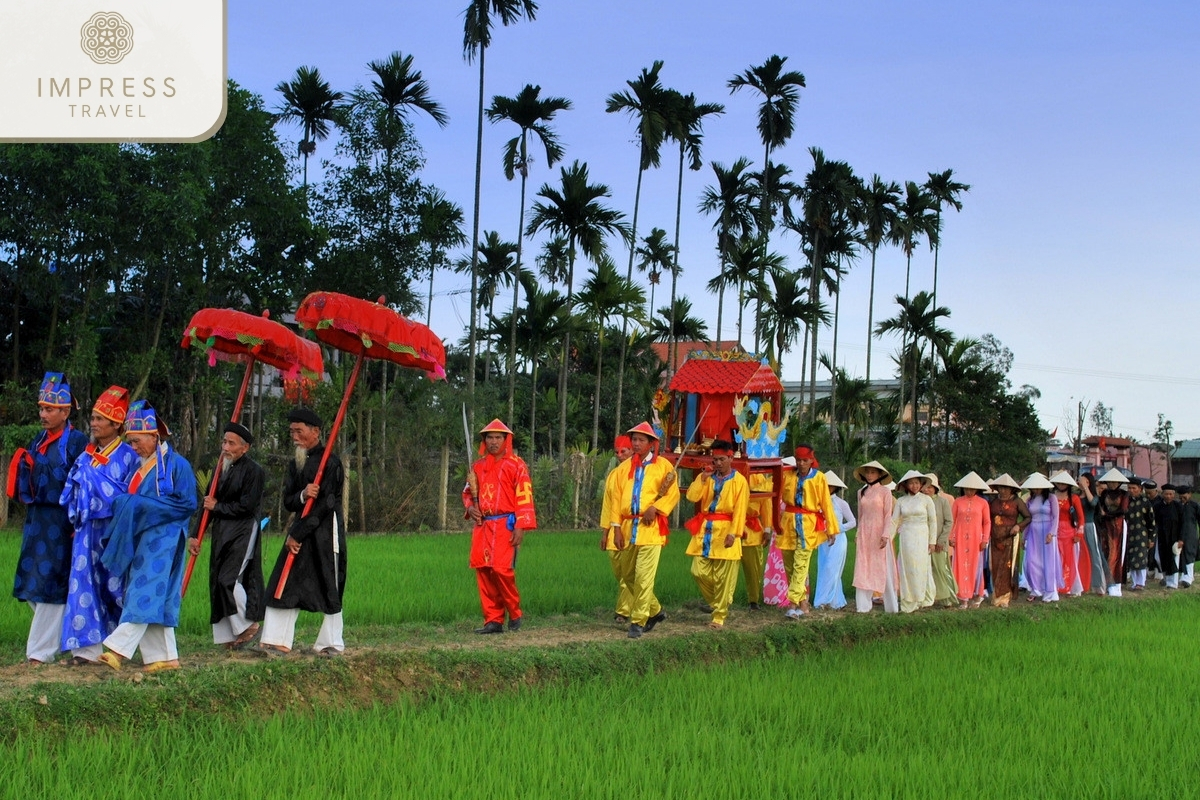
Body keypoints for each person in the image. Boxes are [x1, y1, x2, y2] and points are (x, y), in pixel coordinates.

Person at [97, 401, 198, 671]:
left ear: (154, 436)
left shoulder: (179, 466)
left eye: (137, 441)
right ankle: (165, 658)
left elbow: (188, 504)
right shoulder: (140, 467)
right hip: (143, 539)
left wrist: (143, 506)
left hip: (165, 541)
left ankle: (117, 650)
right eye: (130, 442)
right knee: (157, 595)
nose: (134, 447)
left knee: (144, 590)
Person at [8, 372, 89, 665]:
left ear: (66, 411)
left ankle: (39, 654)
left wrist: (78, 521)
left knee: (51, 586)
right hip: (35, 521)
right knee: (31, 583)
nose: (43, 414)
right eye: (42, 408)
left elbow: (84, 484)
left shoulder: (77, 441)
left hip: (61, 523)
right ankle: (67, 640)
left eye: (50, 409)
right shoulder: (38, 438)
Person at [59, 385, 139, 664]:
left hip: (112, 532)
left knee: (113, 586)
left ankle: (115, 646)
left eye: (99, 419)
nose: (93, 424)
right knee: (83, 587)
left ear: (116, 425)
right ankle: (85, 651)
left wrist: (102, 494)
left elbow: (131, 495)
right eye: (92, 418)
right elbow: (69, 492)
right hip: (84, 533)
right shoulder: (85, 456)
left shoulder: (130, 456)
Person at [261, 407, 347, 656]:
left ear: (315, 432)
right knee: (285, 578)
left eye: (299, 431)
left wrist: (297, 534)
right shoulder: (295, 462)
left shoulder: (331, 463)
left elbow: (326, 504)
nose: (294, 436)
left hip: (324, 530)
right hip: (300, 526)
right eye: (292, 431)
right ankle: (276, 639)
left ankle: (330, 643)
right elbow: (288, 501)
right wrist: (302, 494)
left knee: (328, 581)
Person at [188, 421, 266, 648]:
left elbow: (247, 506)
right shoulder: (220, 468)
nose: (225, 447)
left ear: (245, 448)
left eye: (231, 443)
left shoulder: (254, 471)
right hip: (222, 532)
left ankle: (249, 626)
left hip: (243, 531)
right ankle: (230, 636)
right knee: (216, 581)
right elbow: (207, 504)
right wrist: (196, 535)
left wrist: (217, 507)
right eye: (224, 441)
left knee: (228, 580)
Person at [601, 422, 679, 639]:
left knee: (644, 576)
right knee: (627, 575)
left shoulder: (664, 467)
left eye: (641, 440)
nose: (636, 443)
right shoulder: (622, 470)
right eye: (634, 439)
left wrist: (656, 507)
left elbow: (672, 494)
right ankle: (655, 611)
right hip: (627, 527)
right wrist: (614, 528)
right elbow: (616, 501)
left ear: (652, 443)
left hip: (651, 529)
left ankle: (638, 621)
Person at [462, 419, 537, 634]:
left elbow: (524, 497)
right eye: (490, 437)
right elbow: (467, 493)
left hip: (506, 524)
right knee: (484, 571)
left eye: (498, 437)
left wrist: (521, 526)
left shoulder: (517, 465)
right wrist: (470, 508)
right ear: (484, 440)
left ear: (506, 440)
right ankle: (493, 620)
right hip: (482, 525)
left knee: (502, 571)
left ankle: (514, 612)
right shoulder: (476, 467)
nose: (493, 442)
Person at [683, 441, 748, 628]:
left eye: (721, 459)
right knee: (698, 571)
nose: (718, 463)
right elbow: (692, 497)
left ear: (731, 458)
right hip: (706, 530)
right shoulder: (708, 478)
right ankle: (719, 603)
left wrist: (734, 533)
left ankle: (719, 616)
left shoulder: (739, 481)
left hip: (727, 529)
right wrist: (702, 479)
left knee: (724, 576)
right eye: (715, 459)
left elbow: (740, 509)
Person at [778, 444, 840, 619]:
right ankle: (803, 603)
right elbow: (775, 491)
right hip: (788, 521)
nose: (801, 463)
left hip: (808, 524)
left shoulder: (819, 478)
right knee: (790, 564)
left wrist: (831, 528)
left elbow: (826, 503)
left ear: (811, 460)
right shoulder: (788, 475)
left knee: (801, 563)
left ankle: (791, 605)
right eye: (798, 460)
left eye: (805, 460)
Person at [851, 460, 897, 613]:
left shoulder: (885, 492)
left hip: (879, 533)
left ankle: (891, 606)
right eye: (867, 472)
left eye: (873, 472)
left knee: (883, 567)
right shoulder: (861, 492)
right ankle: (863, 606)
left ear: (879, 474)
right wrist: (858, 533)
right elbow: (860, 515)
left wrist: (885, 534)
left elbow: (887, 515)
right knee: (863, 567)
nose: (870, 475)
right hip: (865, 532)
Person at [599, 435, 634, 624]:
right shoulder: (613, 474)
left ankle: (623, 611)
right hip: (614, 528)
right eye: (617, 452)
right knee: (620, 570)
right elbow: (607, 505)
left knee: (628, 571)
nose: (620, 455)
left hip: (631, 527)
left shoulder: (638, 472)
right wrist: (605, 533)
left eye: (624, 451)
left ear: (632, 451)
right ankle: (640, 601)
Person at [892, 470, 938, 613]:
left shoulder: (926, 500)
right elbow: (894, 521)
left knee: (920, 567)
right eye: (911, 483)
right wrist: (887, 537)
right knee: (907, 567)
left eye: (917, 483)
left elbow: (933, 521)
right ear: (906, 485)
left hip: (922, 535)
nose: (914, 486)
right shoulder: (901, 501)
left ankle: (921, 598)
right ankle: (908, 601)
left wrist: (932, 541)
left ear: (921, 484)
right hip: (906, 536)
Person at [987, 474, 1031, 608]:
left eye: (1006, 488)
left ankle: (1005, 597)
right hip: (995, 538)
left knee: (1007, 567)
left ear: (1012, 489)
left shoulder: (1017, 502)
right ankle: (996, 595)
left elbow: (1028, 517)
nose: (1003, 490)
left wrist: (1018, 526)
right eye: (1001, 487)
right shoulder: (993, 502)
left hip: (1010, 538)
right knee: (994, 567)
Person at [949, 471, 991, 608]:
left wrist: (985, 539)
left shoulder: (983, 503)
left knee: (976, 567)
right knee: (960, 566)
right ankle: (963, 598)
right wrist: (951, 537)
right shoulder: (957, 502)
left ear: (977, 489)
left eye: (972, 488)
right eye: (967, 488)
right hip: (960, 539)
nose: (969, 491)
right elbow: (951, 521)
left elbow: (987, 522)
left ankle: (978, 594)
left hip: (976, 539)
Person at [814, 470, 854, 610]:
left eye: (830, 485)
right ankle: (835, 601)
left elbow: (852, 522)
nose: (827, 488)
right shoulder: (817, 503)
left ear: (835, 487)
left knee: (833, 568)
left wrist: (837, 528)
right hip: (823, 540)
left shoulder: (841, 503)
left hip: (838, 540)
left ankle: (824, 600)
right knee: (824, 568)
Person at [1021, 473, 1061, 603]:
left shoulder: (1051, 498)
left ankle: (1049, 591)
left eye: (1039, 487)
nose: (1036, 490)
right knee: (1031, 562)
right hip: (1034, 531)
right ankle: (1036, 588)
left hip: (1047, 532)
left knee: (1047, 562)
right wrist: (1024, 536)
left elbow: (1056, 517)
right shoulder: (1029, 500)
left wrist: (1052, 533)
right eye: (1034, 488)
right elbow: (1028, 519)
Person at [922, 473, 957, 608]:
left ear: (936, 488)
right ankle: (928, 598)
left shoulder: (942, 502)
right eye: (925, 486)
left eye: (930, 487)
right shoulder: (921, 501)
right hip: (923, 542)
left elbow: (949, 522)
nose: (927, 490)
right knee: (926, 571)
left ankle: (947, 598)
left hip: (939, 543)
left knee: (941, 570)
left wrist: (941, 541)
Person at [1049, 471, 1085, 596]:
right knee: (1055, 558)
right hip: (1054, 531)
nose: (1061, 485)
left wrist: (1079, 534)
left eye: (1064, 483)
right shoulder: (1051, 496)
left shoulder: (1074, 498)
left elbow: (1081, 518)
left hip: (1069, 532)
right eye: (1059, 482)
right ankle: (1055, 584)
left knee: (1068, 560)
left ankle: (1067, 585)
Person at [740, 471, 773, 611]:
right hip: (729, 528)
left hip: (752, 531)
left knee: (753, 569)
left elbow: (766, 503)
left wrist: (767, 529)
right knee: (724, 568)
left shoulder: (758, 477)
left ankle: (753, 601)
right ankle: (721, 601)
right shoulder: (725, 474)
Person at [1094, 468, 1129, 597]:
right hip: (1106, 526)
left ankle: (1116, 585)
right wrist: (1103, 515)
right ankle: (1106, 583)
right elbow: (1100, 508)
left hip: (1118, 526)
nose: (1112, 484)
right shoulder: (1104, 494)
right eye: (1110, 482)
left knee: (1117, 554)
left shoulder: (1124, 494)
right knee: (1105, 552)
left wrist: (1107, 514)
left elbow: (1123, 510)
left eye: (1115, 482)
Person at [1122, 477, 1156, 591]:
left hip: (1142, 535)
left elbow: (1151, 522)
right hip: (1129, 534)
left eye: (1134, 488)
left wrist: (1151, 538)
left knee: (1140, 559)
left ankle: (1141, 582)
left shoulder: (1145, 502)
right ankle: (1134, 582)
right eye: (1129, 488)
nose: (1131, 490)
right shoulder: (1126, 501)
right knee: (1131, 558)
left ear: (1140, 489)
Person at [1077, 471, 1107, 594]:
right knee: (1079, 556)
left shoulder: (1093, 496)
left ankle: (1098, 585)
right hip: (1078, 527)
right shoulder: (1076, 496)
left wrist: (1086, 488)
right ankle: (1082, 583)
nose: (1083, 483)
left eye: (1086, 481)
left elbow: (1093, 503)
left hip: (1089, 527)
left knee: (1094, 555)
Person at [1155, 485, 1184, 588]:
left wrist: (1181, 539)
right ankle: (1166, 579)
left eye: (1170, 494)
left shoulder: (1178, 506)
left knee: (1174, 559)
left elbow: (1182, 523)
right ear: (1162, 494)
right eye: (1166, 494)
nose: (1168, 496)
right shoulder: (1157, 506)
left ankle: (1173, 584)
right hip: (1162, 536)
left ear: (1174, 495)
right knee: (1159, 558)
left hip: (1174, 537)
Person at [1178, 486, 1199, 588]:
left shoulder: (1195, 506)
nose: (1182, 499)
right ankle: (1183, 575)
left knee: (1189, 554)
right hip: (1179, 534)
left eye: (1184, 496)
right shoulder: (1178, 506)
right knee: (1180, 555)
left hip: (1190, 534)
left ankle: (1188, 578)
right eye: (1180, 497)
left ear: (1189, 494)